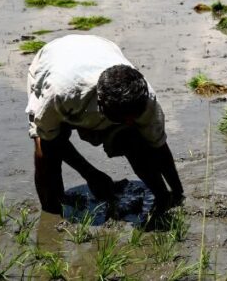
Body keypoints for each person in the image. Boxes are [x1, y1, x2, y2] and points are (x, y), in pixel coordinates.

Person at [26, 34, 183, 215]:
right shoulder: (60, 94)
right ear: (101, 105)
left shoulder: (144, 99)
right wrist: (90, 174)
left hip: (99, 48)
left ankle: (161, 194)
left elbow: (159, 146)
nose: (131, 121)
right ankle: (51, 212)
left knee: (134, 139)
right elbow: (49, 140)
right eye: (123, 118)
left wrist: (177, 192)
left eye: (134, 116)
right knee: (46, 153)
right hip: (53, 60)